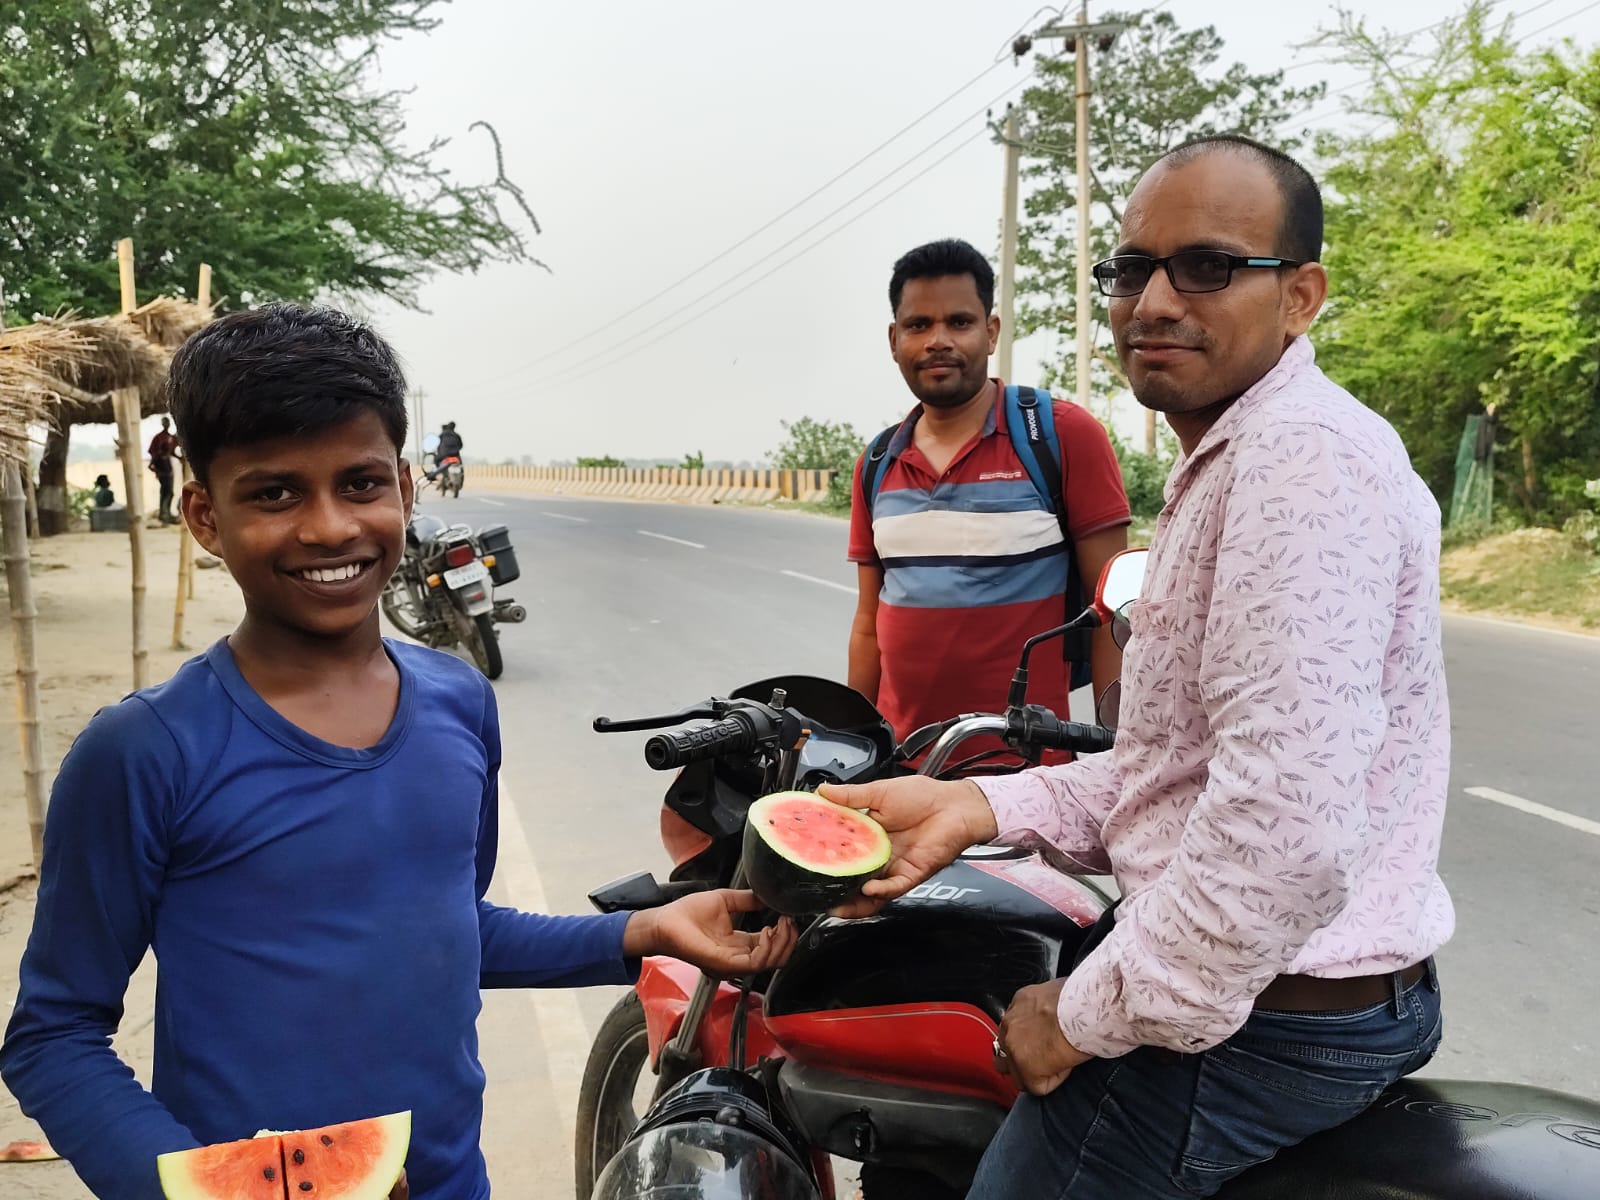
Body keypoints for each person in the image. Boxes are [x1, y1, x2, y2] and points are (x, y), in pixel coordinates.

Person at [0, 303, 796, 1200]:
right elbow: (53, 1035)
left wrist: (641, 932)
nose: (329, 526)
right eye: (273, 493)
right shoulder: (144, 752)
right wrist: (203, 1188)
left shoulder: (461, 703)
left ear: (407, 492)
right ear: (203, 515)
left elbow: (444, 927)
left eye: (361, 483)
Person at [822, 137, 1451, 1199]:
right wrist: (972, 806)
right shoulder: (1234, 447)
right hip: (1256, 980)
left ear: (1300, 295)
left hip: (1255, 1017)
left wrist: (1080, 1016)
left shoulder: (1295, 461)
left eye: (1206, 267)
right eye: (1130, 269)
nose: (1153, 300)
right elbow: (1175, 768)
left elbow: (1281, 835)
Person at [847, 238, 1130, 750]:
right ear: (894, 340)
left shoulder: (1061, 436)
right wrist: (852, 745)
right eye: (918, 325)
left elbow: (1112, 613)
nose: (937, 340)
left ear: (991, 331)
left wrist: (1117, 750)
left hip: (1027, 777)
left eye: (959, 322)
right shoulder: (877, 462)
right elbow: (869, 626)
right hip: (901, 770)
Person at [147, 416, 181, 524]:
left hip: (169, 470)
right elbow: (153, 458)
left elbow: (172, 452)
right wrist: (157, 470)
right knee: (166, 491)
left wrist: (180, 458)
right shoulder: (159, 438)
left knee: (169, 492)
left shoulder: (170, 437)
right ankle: (164, 513)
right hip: (163, 471)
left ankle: (166, 512)